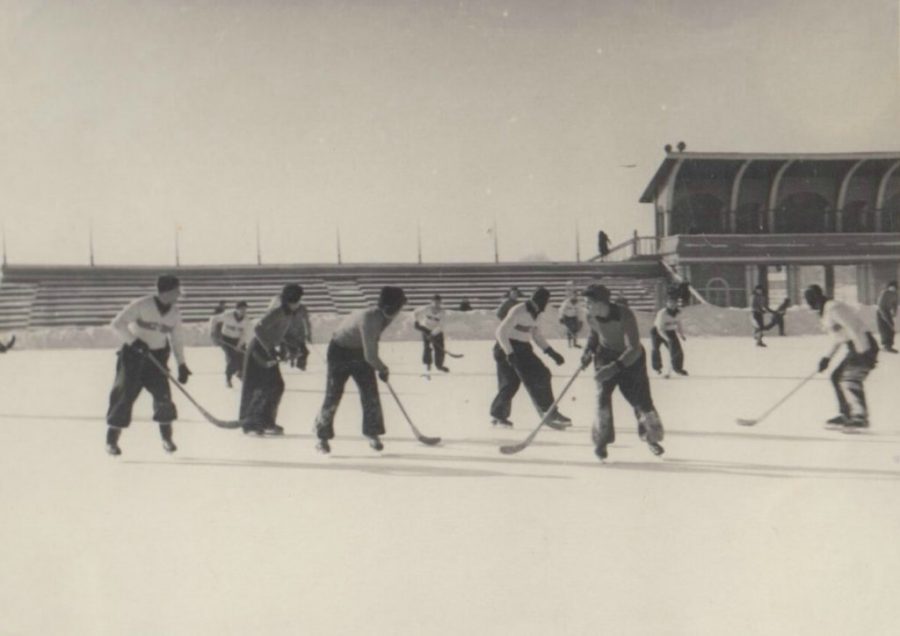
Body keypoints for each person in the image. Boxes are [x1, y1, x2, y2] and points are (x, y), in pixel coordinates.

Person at [105, 274, 192, 456]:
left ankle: (167, 439)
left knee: (164, 398)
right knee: (123, 397)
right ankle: (111, 441)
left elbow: (177, 339)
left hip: (157, 359)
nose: (179, 294)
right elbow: (117, 324)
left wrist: (181, 364)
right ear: (167, 291)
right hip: (133, 358)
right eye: (176, 291)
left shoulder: (174, 312)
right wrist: (134, 341)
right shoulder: (142, 304)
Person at [313, 286, 407, 454]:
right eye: (398, 307)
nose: (399, 311)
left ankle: (373, 432)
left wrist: (378, 366)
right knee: (333, 393)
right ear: (388, 307)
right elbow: (370, 355)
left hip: (359, 351)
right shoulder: (369, 318)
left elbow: (372, 344)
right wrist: (382, 368)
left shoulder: (386, 316)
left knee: (370, 392)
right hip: (339, 351)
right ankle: (322, 436)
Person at [580, 283, 665, 459]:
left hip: (632, 359)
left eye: (589, 302)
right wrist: (588, 350)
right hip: (605, 355)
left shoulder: (624, 315)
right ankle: (601, 441)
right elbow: (595, 335)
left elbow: (633, 347)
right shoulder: (591, 315)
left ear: (602, 303)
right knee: (602, 397)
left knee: (640, 399)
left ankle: (651, 438)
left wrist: (615, 367)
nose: (586, 306)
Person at [490, 286, 570, 428]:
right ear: (536, 300)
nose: (543, 305)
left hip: (523, 348)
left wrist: (551, 352)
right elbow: (500, 332)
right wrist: (510, 353)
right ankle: (498, 416)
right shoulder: (519, 310)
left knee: (543, 374)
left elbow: (535, 334)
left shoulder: (537, 313)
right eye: (542, 301)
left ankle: (549, 410)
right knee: (510, 383)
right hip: (505, 347)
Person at [804, 284, 878, 431]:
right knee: (836, 377)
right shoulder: (825, 312)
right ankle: (846, 414)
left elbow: (853, 328)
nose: (811, 303)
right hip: (854, 346)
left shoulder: (834, 308)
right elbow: (839, 337)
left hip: (863, 344)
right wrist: (827, 358)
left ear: (818, 297)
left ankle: (860, 417)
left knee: (850, 379)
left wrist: (863, 352)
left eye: (812, 298)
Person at [239, 284, 304, 436]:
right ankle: (250, 425)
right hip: (257, 350)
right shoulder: (278, 311)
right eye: (298, 300)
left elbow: (279, 334)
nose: (300, 303)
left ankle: (266, 421)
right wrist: (269, 348)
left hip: (267, 349)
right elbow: (258, 329)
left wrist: (289, 348)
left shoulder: (288, 314)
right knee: (257, 387)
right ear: (291, 300)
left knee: (276, 385)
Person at [266, 290, 312, 370]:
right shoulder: (282, 306)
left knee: (304, 351)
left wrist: (308, 333)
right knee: (289, 350)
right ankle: (287, 359)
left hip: (297, 334)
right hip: (285, 334)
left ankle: (299, 365)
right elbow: (271, 311)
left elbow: (306, 322)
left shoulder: (302, 309)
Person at [209, 300, 251, 387]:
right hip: (226, 339)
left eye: (245, 309)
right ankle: (228, 379)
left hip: (238, 340)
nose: (243, 311)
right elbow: (214, 319)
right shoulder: (228, 315)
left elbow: (245, 334)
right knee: (232, 359)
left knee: (243, 357)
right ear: (236, 309)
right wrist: (212, 332)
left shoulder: (246, 320)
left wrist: (239, 346)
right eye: (241, 309)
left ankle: (240, 373)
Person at [650, 294, 687, 376]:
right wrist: (667, 338)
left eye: (674, 303)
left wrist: (681, 335)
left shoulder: (678, 313)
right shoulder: (662, 313)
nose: (672, 305)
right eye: (670, 303)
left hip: (670, 332)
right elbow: (660, 329)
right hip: (657, 332)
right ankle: (657, 368)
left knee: (677, 350)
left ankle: (678, 369)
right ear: (667, 303)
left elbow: (678, 324)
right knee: (655, 349)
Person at [414, 294, 449, 372]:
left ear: (440, 303)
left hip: (437, 332)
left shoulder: (443, 313)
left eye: (438, 302)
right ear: (431, 302)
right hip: (426, 329)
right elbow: (415, 312)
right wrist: (416, 322)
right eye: (435, 302)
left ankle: (439, 366)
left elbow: (441, 326)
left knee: (440, 349)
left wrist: (432, 334)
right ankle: (427, 364)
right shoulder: (426, 308)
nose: (437, 304)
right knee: (427, 347)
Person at [875, 281, 898, 353]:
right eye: (892, 287)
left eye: (895, 287)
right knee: (885, 329)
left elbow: (895, 303)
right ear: (888, 287)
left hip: (887, 311)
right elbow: (880, 305)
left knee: (891, 328)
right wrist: (884, 317)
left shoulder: (895, 294)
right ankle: (886, 346)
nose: (893, 288)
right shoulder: (884, 293)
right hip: (881, 312)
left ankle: (889, 346)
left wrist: (894, 311)